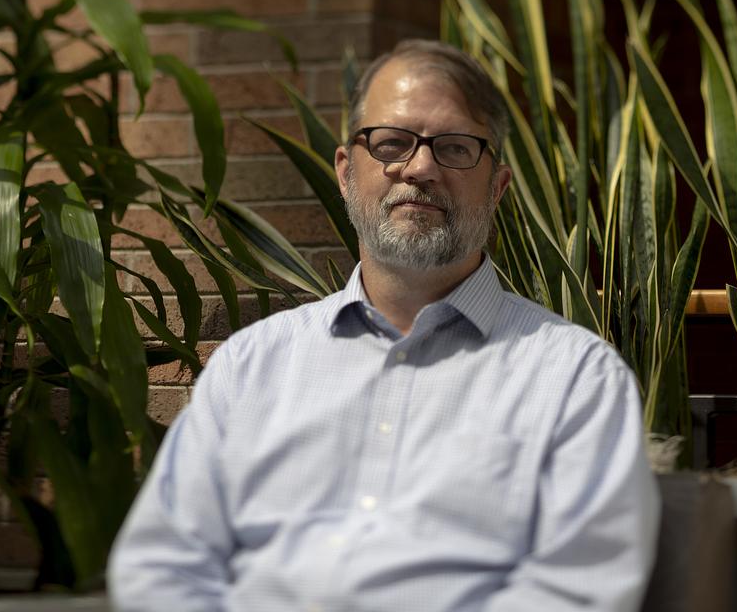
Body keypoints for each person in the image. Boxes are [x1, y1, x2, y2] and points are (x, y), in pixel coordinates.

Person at [108, 39, 660, 611]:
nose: (420, 168)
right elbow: (164, 568)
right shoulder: (250, 367)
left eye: (454, 148)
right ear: (347, 172)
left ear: (497, 188)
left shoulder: (575, 379)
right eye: (393, 142)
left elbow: (577, 591)